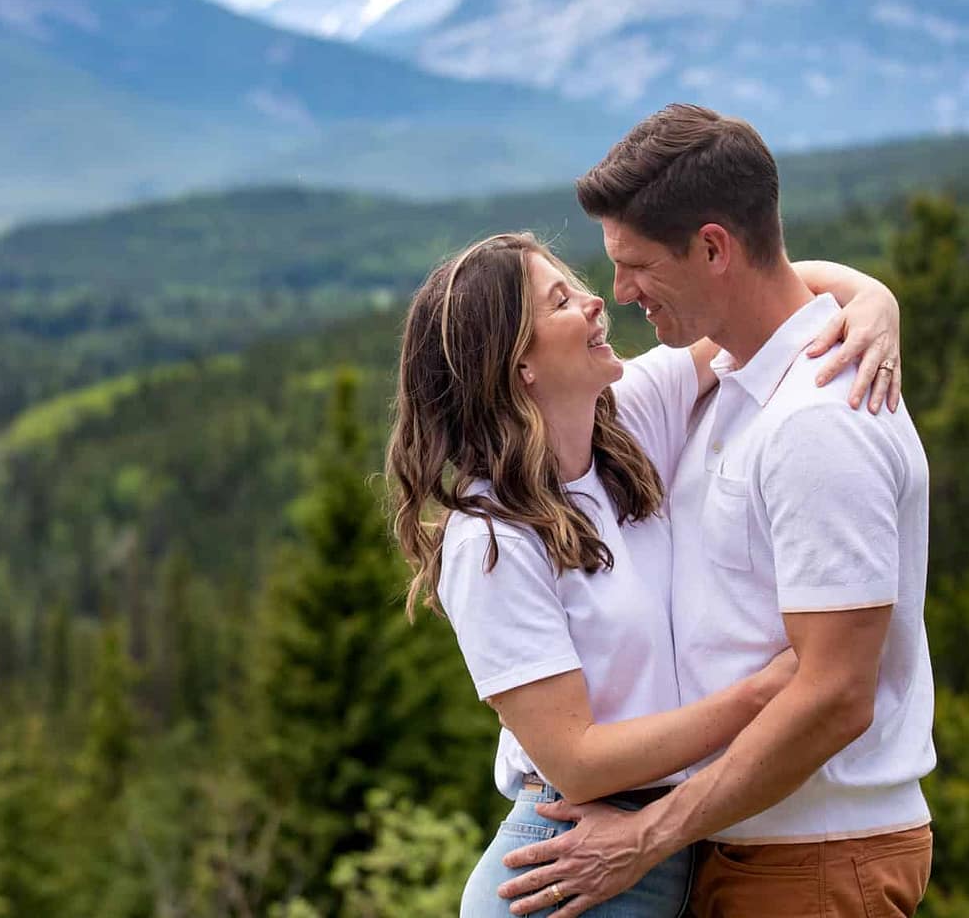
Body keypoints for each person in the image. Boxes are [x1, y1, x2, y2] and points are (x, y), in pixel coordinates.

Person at [495, 105, 935, 918]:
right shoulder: (726, 388)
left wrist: (648, 836)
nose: (617, 296)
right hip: (736, 844)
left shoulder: (818, 422)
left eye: (635, 266)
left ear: (712, 248)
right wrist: (868, 290)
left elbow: (838, 694)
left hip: (813, 857)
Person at [386, 231, 904, 917]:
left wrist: (873, 299)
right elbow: (577, 760)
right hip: (569, 865)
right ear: (520, 365)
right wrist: (767, 693)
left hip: (663, 846)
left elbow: (758, 297)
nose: (599, 302)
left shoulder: (630, 418)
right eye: (562, 300)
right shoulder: (491, 541)